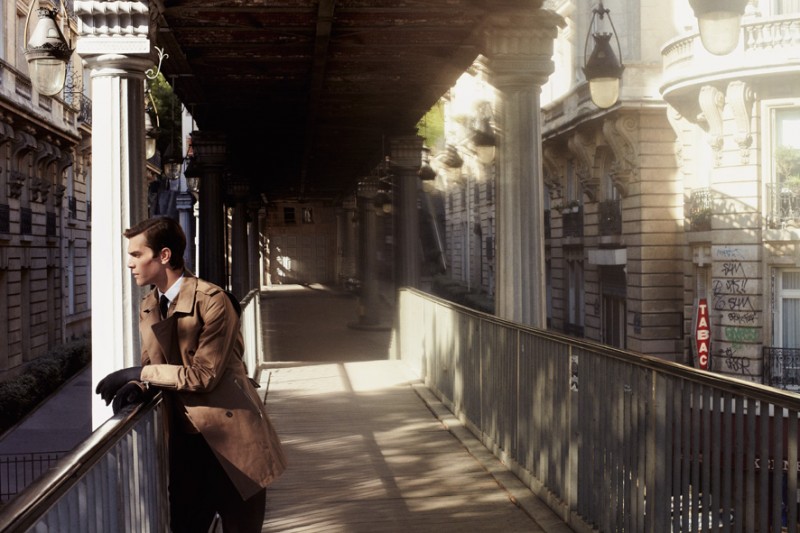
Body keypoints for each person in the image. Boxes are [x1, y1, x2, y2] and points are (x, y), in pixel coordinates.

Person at [95, 216, 287, 533]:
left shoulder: (214, 301)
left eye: (137, 254)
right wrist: (138, 386)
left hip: (234, 444)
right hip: (186, 448)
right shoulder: (149, 306)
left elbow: (203, 375)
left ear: (164, 255)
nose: (130, 264)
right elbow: (155, 366)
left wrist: (138, 371)